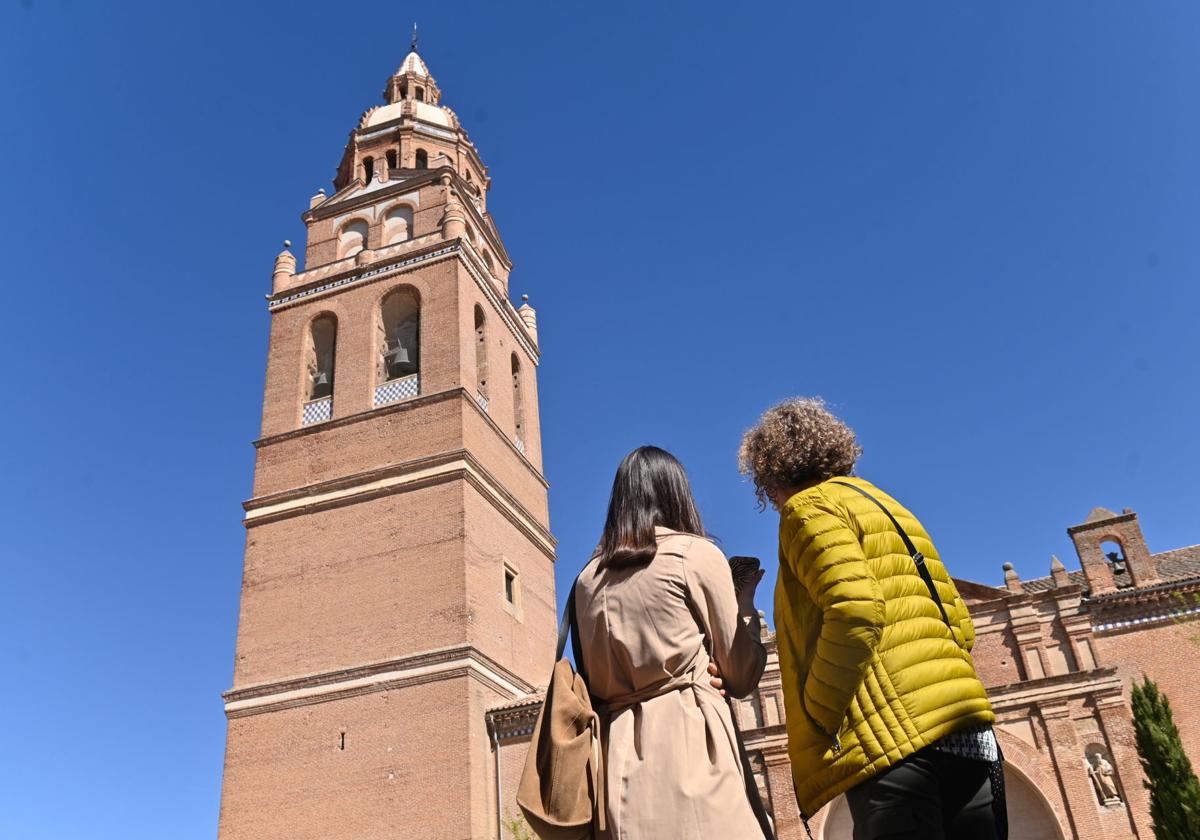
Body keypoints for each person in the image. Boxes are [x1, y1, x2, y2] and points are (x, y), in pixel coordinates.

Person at [736, 398, 1003, 840]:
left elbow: (855, 609)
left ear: (770, 471)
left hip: (894, 741)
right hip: (966, 727)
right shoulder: (887, 504)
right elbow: (958, 619)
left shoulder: (808, 509)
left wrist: (822, 711)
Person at [572, 446, 770, 839]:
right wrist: (744, 606)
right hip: (696, 751)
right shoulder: (695, 554)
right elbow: (741, 673)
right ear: (677, 494)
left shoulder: (585, 582)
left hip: (616, 771)